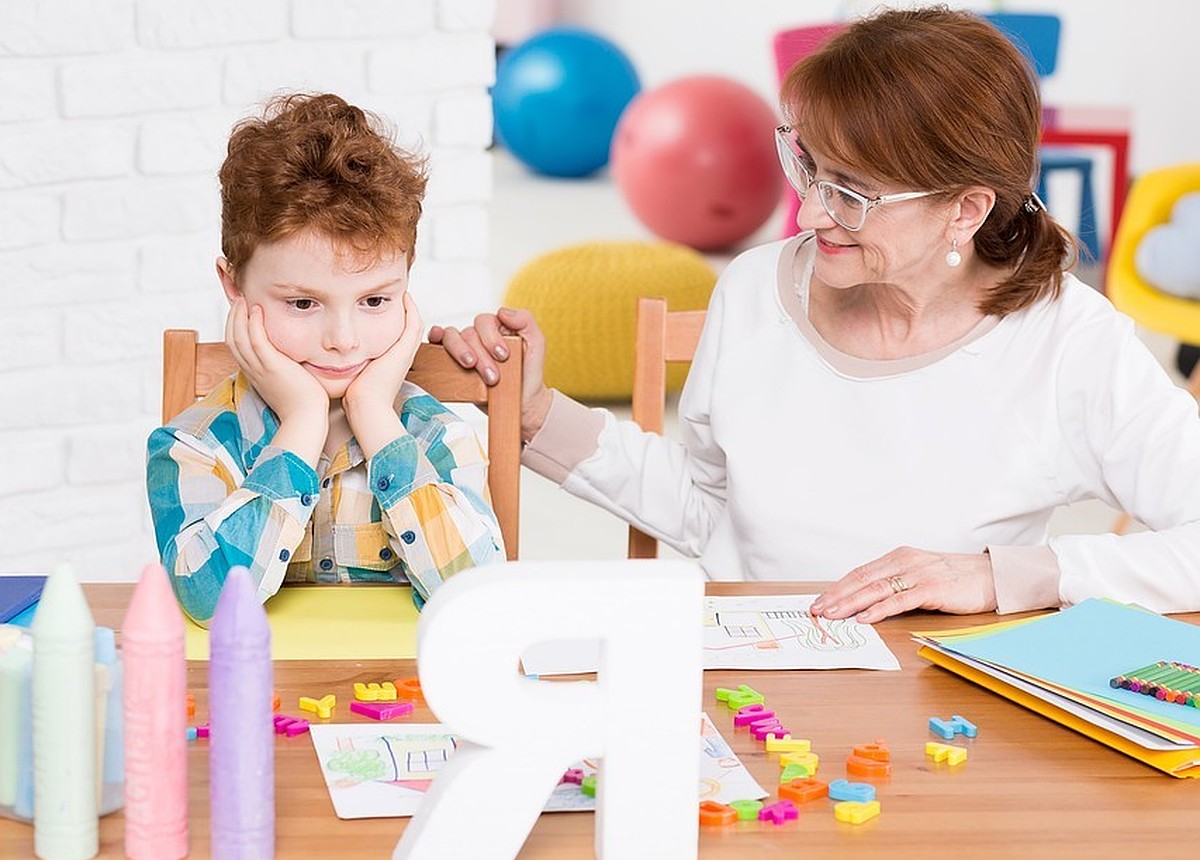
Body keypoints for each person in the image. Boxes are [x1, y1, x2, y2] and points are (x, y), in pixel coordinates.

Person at [432, 6, 1200, 623]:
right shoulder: (754, 288)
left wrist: (1001, 576)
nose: (810, 212)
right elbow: (709, 508)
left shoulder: (1068, 341)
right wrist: (531, 411)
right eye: (809, 167)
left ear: (965, 208)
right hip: (759, 673)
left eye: (853, 192)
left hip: (950, 712)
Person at [147, 93, 504, 626]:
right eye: (302, 303)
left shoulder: (438, 438)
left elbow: (478, 596)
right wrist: (303, 421)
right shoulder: (194, 446)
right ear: (233, 285)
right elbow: (209, 602)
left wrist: (377, 417)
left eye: (375, 301)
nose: (343, 339)